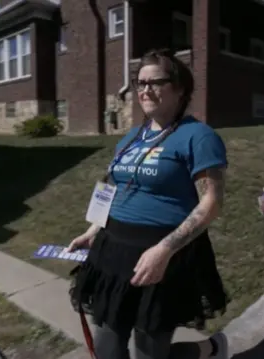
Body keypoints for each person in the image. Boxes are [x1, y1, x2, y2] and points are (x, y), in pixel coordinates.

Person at [66, 49, 229, 359]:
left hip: (163, 255)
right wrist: (93, 229)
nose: (144, 90)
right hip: (113, 250)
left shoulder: (198, 136)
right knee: (107, 349)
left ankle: (211, 348)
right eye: (139, 83)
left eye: (155, 82)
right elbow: (111, 184)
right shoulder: (131, 137)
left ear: (180, 88)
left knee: (150, 352)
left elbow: (212, 202)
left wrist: (164, 250)